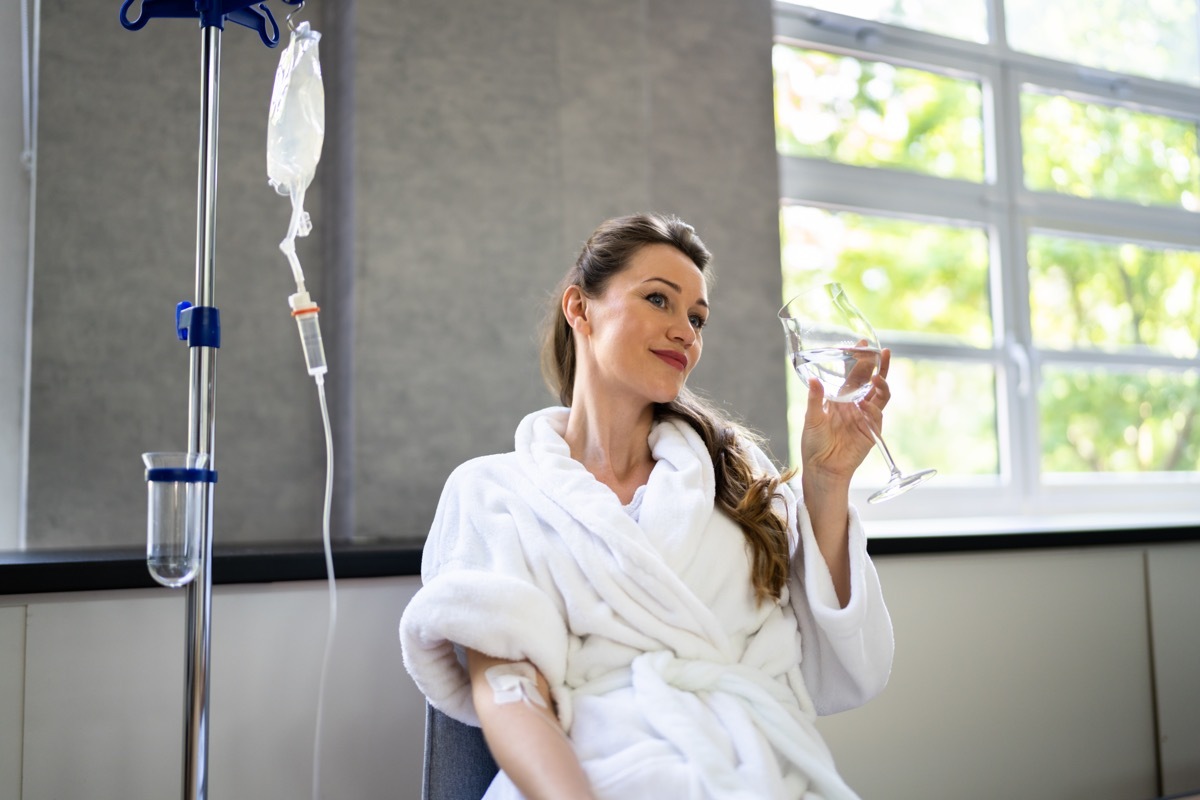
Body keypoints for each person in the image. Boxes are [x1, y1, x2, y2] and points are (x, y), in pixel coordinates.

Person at [400, 213, 894, 799]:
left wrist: (827, 480)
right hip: (588, 776)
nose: (685, 331)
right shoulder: (493, 491)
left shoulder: (736, 475)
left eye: (697, 318)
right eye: (658, 299)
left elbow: (833, 665)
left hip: (759, 773)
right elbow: (511, 692)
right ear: (579, 309)